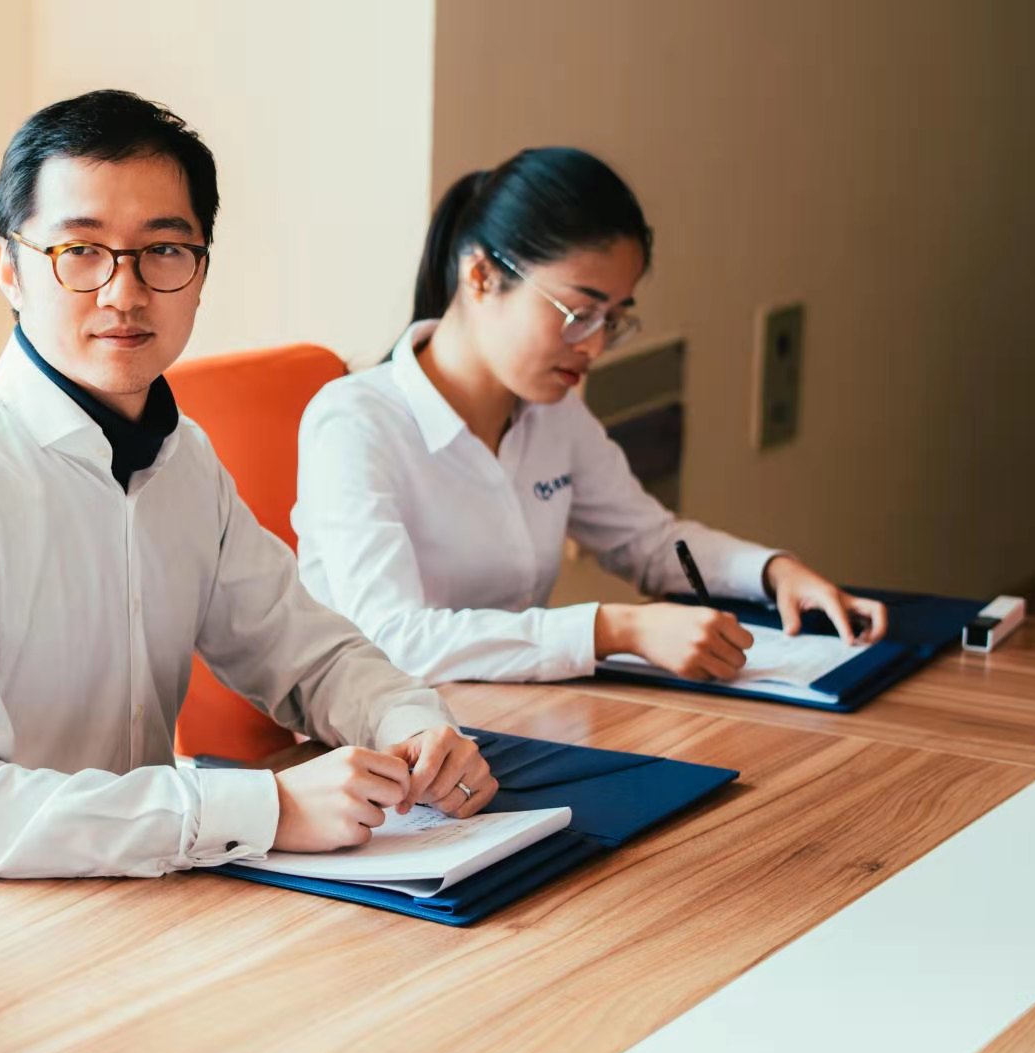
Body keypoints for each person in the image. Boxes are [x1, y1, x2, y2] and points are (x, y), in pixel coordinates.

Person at [0, 90, 493, 889]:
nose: (124, 291)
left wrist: (412, 723)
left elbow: (309, 656)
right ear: (10, 269)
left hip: (153, 903)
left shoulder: (183, 460)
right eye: (79, 251)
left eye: (163, 250)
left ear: (199, 271)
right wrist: (264, 808)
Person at [294, 147, 887, 685]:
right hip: (378, 761)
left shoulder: (551, 414)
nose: (595, 346)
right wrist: (613, 629)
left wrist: (773, 572)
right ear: (480, 276)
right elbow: (391, 641)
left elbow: (651, 543)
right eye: (578, 312)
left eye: (614, 318)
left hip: (511, 723)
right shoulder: (355, 424)